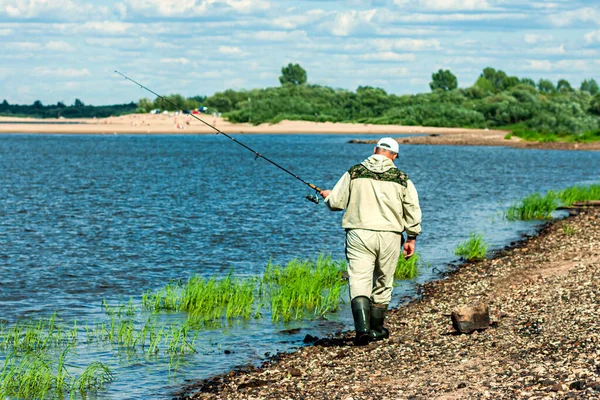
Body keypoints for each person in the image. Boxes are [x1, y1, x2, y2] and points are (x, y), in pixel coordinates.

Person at [320, 137, 422, 345]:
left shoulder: (354, 172)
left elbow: (336, 203)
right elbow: (412, 210)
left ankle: (362, 330)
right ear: (394, 156)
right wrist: (411, 237)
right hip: (390, 235)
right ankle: (376, 329)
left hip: (358, 233)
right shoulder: (402, 178)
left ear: (375, 150)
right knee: (383, 280)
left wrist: (327, 196)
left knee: (359, 279)